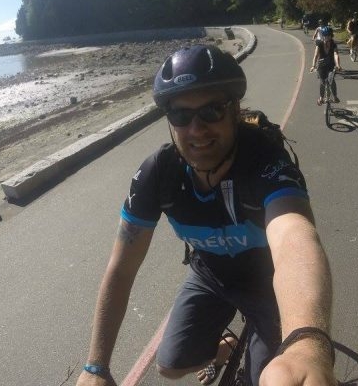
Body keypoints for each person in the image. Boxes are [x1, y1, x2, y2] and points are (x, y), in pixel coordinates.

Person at [77, 44, 335, 386]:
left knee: (267, 380)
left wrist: (306, 344)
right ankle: (225, 346)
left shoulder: (266, 162)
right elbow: (122, 267)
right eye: (181, 116)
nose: (196, 129)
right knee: (169, 366)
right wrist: (96, 366)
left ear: (234, 110)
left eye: (212, 111)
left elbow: (294, 238)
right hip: (210, 275)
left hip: (268, 282)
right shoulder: (159, 173)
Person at [310, 26, 341, 105]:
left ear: (331, 36)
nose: (327, 37)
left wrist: (338, 65)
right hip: (321, 65)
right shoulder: (319, 44)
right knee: (322, 82)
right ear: (323, 36)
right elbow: (316, 55)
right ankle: (321, 97)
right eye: (325, 35)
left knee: (331, 80)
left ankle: (335, 96)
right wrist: (313, 65)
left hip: (331, 65)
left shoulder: (333, 44)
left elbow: (336, 54)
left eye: (328, 35)